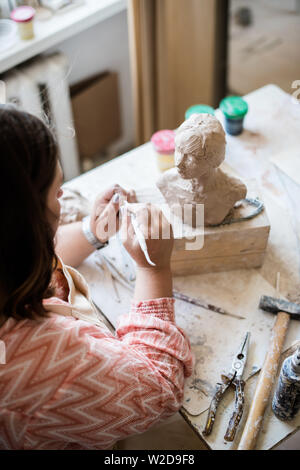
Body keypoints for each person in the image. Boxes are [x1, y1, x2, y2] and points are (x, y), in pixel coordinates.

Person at [0, 105, 193, 450]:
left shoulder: (7, 261)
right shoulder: (39, 359)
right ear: (26, 224)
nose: (63, 197)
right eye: (57, 193)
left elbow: (30, 257)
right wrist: (154, 268)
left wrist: (93, 231)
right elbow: (160, 390)